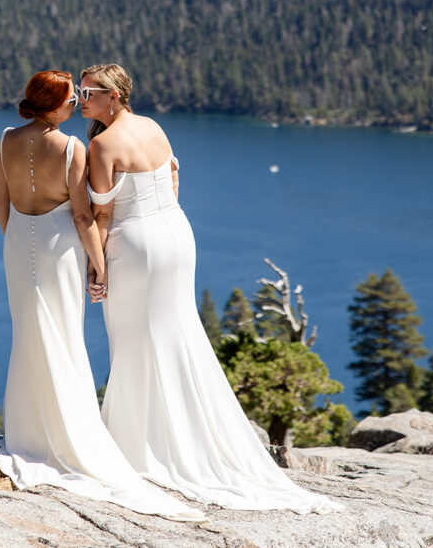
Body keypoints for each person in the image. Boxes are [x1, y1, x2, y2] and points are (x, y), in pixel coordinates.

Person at [81, 63, 341, 514]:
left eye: (89, 91)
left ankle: (140, 444)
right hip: (176, 235)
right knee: (177, 332)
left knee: (134, 339)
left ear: (115, 95)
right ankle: (185, 437)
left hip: (136, 243)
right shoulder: (153, 127)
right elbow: (174, 178)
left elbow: (101, 215)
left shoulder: (102, 144)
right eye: (79, 90)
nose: (81, 99)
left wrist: (96, 266)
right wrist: (161, 217)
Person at [0, 70, 205, 522]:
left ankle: (27, 432)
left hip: (17, 244)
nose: (76, 106)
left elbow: (0, 203)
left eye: (83, 97)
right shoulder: (73, 147)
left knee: (29, 334)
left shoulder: (6, 138)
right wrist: (101, 266)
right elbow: (84, 215)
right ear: (54, 105)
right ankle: (73, 433)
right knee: (66, 337)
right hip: (59, 247)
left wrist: (16, 241)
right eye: (73, 99)